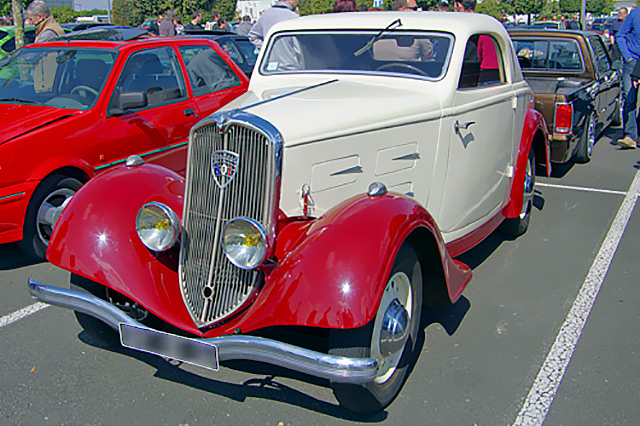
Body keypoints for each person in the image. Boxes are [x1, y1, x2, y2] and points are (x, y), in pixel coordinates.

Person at [454, 0, 499, 83]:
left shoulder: (461, 25)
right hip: (497, 72)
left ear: (460, 6)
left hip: (470, 71)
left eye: (456, 8)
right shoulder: (485, 23)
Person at [616, 7, 640, 149]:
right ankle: (630, 135)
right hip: (633, 62)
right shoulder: (635, 14)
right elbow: (621, 35)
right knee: (629, 98)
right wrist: (628, 57)